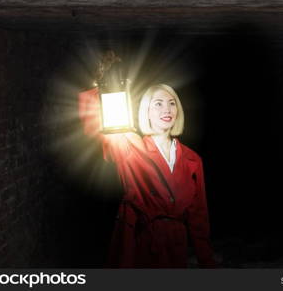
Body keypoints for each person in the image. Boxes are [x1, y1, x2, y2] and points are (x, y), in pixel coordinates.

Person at [78, 79, 217, 268]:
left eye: (171, 103)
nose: (166, 110)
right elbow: (95, 126)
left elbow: (199, 216)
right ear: (147, 112)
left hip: (176, 245)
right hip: (141, 240)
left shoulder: (192, 160)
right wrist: (103, 87)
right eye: (158, 104)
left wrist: (206, 260)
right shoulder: (131, 145)